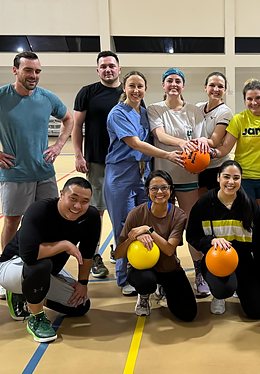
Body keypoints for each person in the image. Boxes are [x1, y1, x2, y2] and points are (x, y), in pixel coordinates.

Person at [0, 51, 74, 300]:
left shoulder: (47, 97)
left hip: (45, 173)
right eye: (28, 70)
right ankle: (6, 272)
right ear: (15, 71)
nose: (33, 76)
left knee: (49, 223)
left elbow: (68, 119)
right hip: (15, 173)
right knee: (12, 223)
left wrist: (58, 146)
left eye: (37, 71)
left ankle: (47, 268)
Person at [104, 71, 183, 296]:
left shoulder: (145, 113)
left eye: (140, 86)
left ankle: (151, 270)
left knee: (151, 226)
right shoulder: (117, 113)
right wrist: (167, 156)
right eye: (132, 86)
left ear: (146, 89)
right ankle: (124, 277)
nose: (136, 90)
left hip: (143, 176)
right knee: (124, 227)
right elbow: (136, 144)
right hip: (121, 175)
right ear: (124, 89)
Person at [0, 177, 100, 343]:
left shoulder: (91, 217)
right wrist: (63, 245)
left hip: (47, 272)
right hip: (13, 266)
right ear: (61, 195)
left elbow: (87, 253)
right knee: (40, 265)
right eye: (73, 198)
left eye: (84, 201)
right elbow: (28, 255)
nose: (78, 206)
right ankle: (36, 318)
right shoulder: (39, 210)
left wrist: (83, 283)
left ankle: (26, 293)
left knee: (80, 306)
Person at [210, 79, 260, 286]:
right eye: (249, 99)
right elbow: (225, 149)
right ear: (245, 101)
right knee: (245, 227)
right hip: (244, 181)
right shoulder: (239, 120)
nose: (254, 102)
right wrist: (209, 152)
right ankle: (244, 268)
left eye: (257, 98)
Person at [147, 68, 211, 298]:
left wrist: (201, 142)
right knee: (161, 228)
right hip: (163, 176)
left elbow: (201, 138)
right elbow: (161, 136)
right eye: (169, 81)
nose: (173, 84)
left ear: (183, 85)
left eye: (177, 81)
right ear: (163, 85)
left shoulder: (194, 110)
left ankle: (200, 273)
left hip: (187, 176)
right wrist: (183, 144)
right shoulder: (155, 108)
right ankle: (164, 277)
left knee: (192, 226)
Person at [187, 160, 260, 319]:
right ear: (218, 178)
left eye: (236, 178)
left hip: (243, 261)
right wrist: (210, 241)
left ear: (241, 180)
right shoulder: (204, 203)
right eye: (226, 177)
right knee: (223, 289)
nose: (231, 182)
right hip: (215, 260)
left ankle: (240, 286)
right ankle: (219, 295)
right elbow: (192, 235)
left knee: (256, 312)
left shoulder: (249, 205)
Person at [114, 170, 196, 321]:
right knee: (146, 281)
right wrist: (134, 238)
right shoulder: (136, 214)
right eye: (154, 188)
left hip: (169, 268)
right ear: (147, 191)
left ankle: (163, 288)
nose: (159, 192)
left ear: (171, 190)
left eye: (164, 188)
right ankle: (144, 296)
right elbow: (118, 254)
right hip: (142, 270)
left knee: (188, 314)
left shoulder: (179, 215)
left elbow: (169, 250)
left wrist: (148, 230)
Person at [72, 50, 123, 279]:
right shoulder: (87, 92)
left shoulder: (128, 92)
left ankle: (117, 249)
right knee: (96, 211)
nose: (108, 69)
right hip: (97, 161)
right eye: (103, 66)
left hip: (123, 162)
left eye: (111, 65)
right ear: (98, 70)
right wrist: (78, 155)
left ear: (119, 68)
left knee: (121, 210)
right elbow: (76, 126)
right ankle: (93, 255)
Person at [196, 72, 233, 196]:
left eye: (220, 86)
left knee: (218, 207)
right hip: (198, 166)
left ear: (225, 90)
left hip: (217, 167)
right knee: (201, 206)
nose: (216, 89)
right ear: (205, 87)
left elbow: (213, 142)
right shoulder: (198, 107)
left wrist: (199, 140)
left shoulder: (225, 112)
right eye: (212, 85)